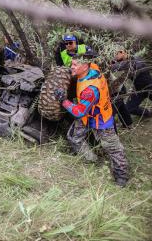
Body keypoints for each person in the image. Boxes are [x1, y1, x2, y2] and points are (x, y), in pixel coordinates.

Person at [54, 52, 129, 187]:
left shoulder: (90, 90)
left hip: (101, 120)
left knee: (113, 149)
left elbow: (79, 112)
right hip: (88, 116)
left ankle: (121, 177)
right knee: (73, 137)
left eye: (75, 64)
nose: (72, 66)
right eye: (72, 63)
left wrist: (63, 101)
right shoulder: (93, 66)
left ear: (85, 66)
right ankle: (92, 160)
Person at [112, 50, 152, 120]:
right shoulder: (122, 62)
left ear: (122, 52)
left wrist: (114, 66)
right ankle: (147, 113)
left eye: (116, 54)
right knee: (129, 108)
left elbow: (134, 65)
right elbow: (115, 66)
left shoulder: (136, 59)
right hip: (139, 90)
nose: (115, 56)